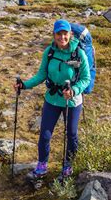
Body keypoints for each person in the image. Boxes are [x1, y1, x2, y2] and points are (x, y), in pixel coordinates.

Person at [13, 19, 90, 179]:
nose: (62, 37)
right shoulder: (49, 52)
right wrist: (24, 85)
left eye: (65, 34)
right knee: (45, 135)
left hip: (72, 102)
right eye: (59, 34)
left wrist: (74, 90)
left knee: (72, 134)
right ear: (54, 35)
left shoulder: (79, 53)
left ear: (70, 34)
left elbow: (86, 78)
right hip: (52, 99)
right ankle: (42, 166)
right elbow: (41, 74)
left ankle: (68, 165)